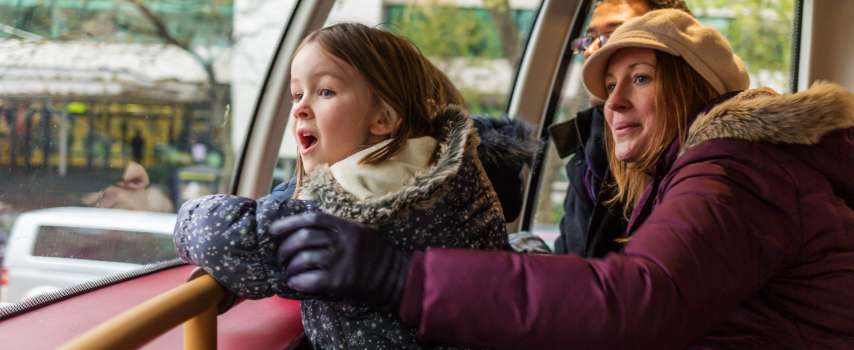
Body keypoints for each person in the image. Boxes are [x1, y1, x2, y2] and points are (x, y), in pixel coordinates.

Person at [271, 9, 854, 348]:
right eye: (608, 88)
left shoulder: (735, 170)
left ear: (695, 90)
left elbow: (635, 299)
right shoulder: (699, 173)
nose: (613, 103)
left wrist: (401, 275)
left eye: (641, 79)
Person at [173, 23, 521, 349]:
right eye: (296, 95)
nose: (299, 109)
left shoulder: (357, 202)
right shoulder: (441, 175)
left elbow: (222, 237)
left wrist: (186, 217)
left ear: (383, 119)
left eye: (325, 91)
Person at [552, 0, 691, 257]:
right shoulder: (588, 147)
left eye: (614, 34)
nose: (592, 51)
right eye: (590, 39)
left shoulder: (700, 165)